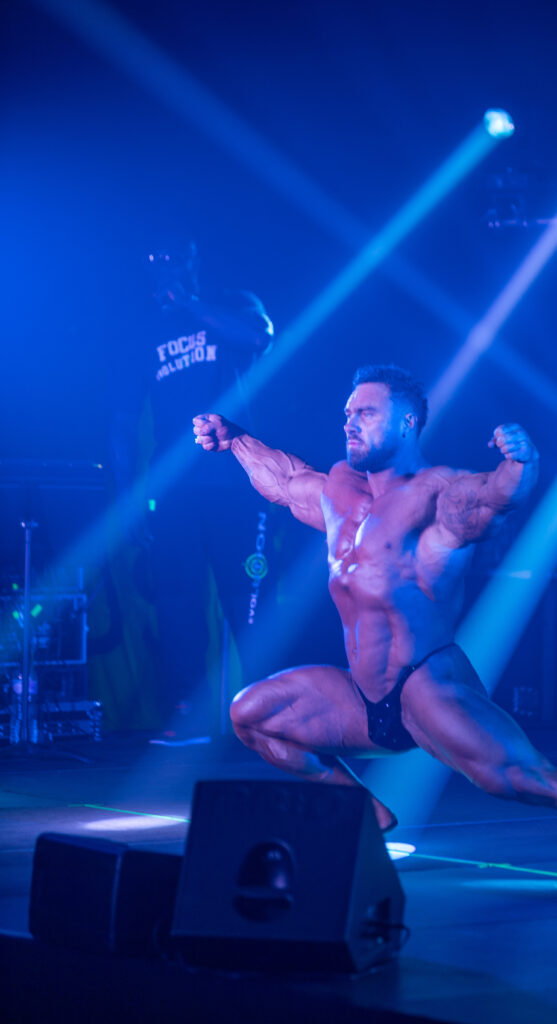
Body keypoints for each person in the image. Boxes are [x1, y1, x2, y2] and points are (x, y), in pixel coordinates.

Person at [193, 364, 557, 888]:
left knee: (528, 780)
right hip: (361, 696)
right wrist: (235, 439)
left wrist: (521, 462)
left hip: (425, 685)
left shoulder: (435, 494)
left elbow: (494, 497)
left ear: (406, 423)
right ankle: (366, 812)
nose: (350, 423)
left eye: (366, 413)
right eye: (348, 414)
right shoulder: (339, 492)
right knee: (251, 714)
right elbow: (285, 482)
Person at [111, 241, 283, 743]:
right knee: (177, 600)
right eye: (156, 258)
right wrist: (126, 501)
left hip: (239, 484)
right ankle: (187, 716)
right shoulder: (141, 332)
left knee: (250, 597)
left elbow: (259, 337)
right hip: (175, 492)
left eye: (177, 255)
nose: (167, 265)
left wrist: (188, 303)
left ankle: (276, 716)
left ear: (193, 260)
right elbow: (121, 424)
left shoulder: (234, 303)